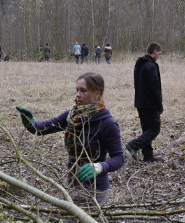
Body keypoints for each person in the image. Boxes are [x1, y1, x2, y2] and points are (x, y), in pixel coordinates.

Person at [15, 72, 124, 206]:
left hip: (95, 190)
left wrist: (100, 166)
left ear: (97, 93)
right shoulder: (72, 116)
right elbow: (42, 128)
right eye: (77, 90)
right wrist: (30, 124)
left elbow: (119, 158)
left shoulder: (107, 124)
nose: (77, 95)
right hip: (72, 183)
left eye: (83, 91)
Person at [125, 42, 163, 162]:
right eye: (159, 53)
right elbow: (155, 88)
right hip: (150, 104)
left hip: (140, 102)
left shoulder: (140, 65)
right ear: (155, 51)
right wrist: (159, 106)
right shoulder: (151, 66)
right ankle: (133, 145)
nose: (159, 56)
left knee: (147, 129)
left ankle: (148, 156)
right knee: (154, 130)